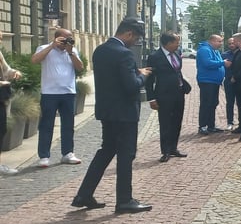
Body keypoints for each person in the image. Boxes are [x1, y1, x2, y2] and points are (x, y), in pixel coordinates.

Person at [71, 17, 152, 213]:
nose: (135, 43)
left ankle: (84, 194)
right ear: (129, 34)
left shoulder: (101, 50)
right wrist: (142, 75)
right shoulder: (124, 54)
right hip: (124, 113)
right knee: (126, 156)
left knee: (106, 151)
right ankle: (124, 200)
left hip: (107, 111)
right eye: (136, 38)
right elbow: (130, 85)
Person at [30, 27, 84, 168]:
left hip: (68, 92)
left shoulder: (71, 51)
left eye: (70, 38)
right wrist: (52, 46)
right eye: (64, 38)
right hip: (49, 93)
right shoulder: (44, 48)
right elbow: (35, 60)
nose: (67, 41)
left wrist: (70, 52)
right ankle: (44, 156)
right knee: (46, 124)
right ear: (56, 37)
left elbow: (80, 68)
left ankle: (67, 153)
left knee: (68, 125)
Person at [146, 31, 191, 162]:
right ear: (169, 43)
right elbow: (149, 80)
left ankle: (173, 148)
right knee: (165, 123)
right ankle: (165, 151)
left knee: (177, 121)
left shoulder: (177, 54)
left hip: (179, 93)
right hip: (164, 95)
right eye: (176, 42)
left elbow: (177, 72)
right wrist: (151, 98)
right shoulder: (155, 57)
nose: (178, 44)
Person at [0, 31, 21, 175]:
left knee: (1, 129)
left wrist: (14, 72)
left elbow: (6, 70)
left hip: (1, 98)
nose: (1, 40)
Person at [195, 34, 225, 135]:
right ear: (212, 41)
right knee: (206, 103)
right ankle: (202, 126)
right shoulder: (204, 50)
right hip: (207, 81)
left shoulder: (215, 50)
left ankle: (211, 126)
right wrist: (222, 63)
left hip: (214, 82)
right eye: (219, 41)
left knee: (213, 103)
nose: (221, 44)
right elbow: (207, 63)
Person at [221, 37, 237, 131]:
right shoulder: (224, 55)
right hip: (228, 81)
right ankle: (230, 122)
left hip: (239, 81)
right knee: (230, 103)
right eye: (229, 43)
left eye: (233, 43)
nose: (231, 45)